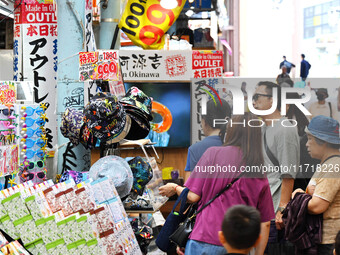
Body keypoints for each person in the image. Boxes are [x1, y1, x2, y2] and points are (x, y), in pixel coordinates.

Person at [170, 113, 275, 255]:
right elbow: (266, 222)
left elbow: (193, 196)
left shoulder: (212, 154)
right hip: (238, 244)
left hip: (203, 237)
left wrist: (175, 188)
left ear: (230, 131)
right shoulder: (258, 169)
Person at [252, 81, 299, 247]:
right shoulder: (264, 128)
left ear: (272, 100)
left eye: (257, 97)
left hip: (274, 214)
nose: (253, 101)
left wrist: (282, 209)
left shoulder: (285, 128)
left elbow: (288, 172)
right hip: (261, 210)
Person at [159, 98, 231, 197]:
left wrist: (174, 187)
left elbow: (190, 194)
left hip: (207, 210)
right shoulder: (238, 148)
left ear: (204, 121)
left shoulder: (195, 149)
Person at [292, 115, 340, 255]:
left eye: (310, 139)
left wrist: (298, 196)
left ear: (323, 141)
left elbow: (317, 206)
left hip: (329, 243)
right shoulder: (328, 164)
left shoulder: (332, 167)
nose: (307, 144)